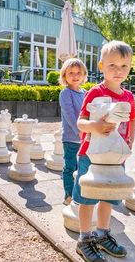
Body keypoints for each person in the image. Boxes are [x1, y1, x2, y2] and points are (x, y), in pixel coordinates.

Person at [73, 40, 135, 262]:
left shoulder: (128, 96)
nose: (118, 71)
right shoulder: (94, 92)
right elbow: (80, 123)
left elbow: (133, 118)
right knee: (87, 197)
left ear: (130, 67)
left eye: (124, 66)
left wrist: (130, 141)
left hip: (115, 156)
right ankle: (84, 239)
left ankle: (102, 234)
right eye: (112, 66)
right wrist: (95, 127)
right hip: (90, 154)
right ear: (101, 66)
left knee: (107, 197)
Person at [58, 58, 88, 206]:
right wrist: (80, 131)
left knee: (83, 168)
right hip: (71, 138)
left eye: (78, 73)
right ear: (64, 75)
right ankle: (68, 195)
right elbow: (69, 115)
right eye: (71, 73)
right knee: (70, 167)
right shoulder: (65, 93)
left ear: (83, 75)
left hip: (85, 137)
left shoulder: (86, 93)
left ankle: (80, 194)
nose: (75, 76)